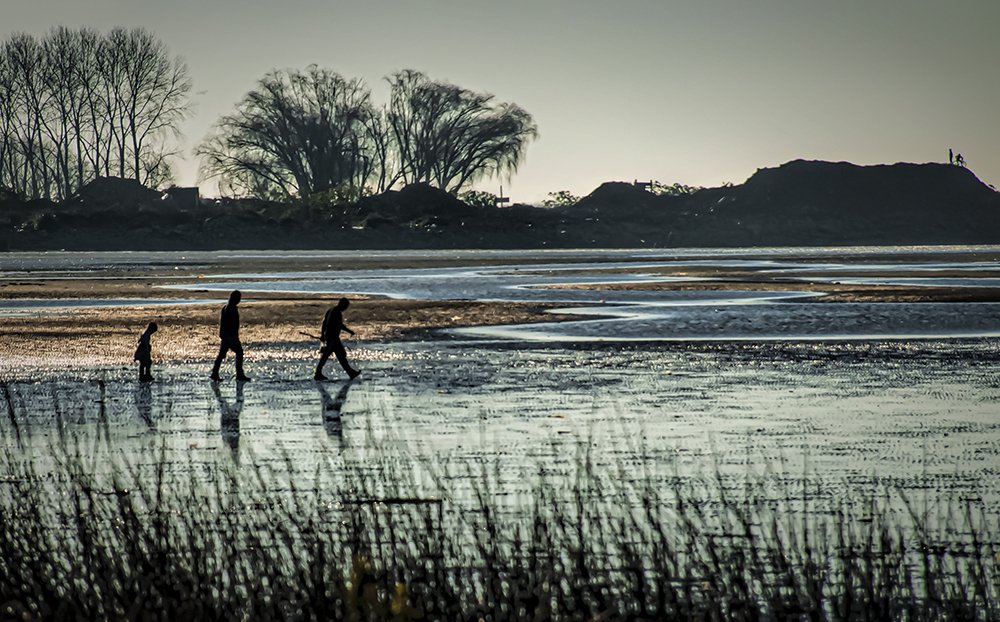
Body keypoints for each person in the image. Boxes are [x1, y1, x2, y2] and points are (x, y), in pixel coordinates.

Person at [314, 298, 361, 380]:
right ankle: (318, 373)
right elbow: (339, 325)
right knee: (327, 356)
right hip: (333, 338)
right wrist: (349, 331)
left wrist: (322, 335)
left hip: (331, 337)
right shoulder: (336, 313)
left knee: (341, 355)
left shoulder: (331, 310)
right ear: (342, 304)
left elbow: (324, 323)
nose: (346, 308)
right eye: (346, 306)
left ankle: (351, 372)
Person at [210, 290, 250, 382]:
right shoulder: (231, 308)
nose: (239, 300)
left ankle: (215, 373)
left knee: (221, 355)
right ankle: (239, 374)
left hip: (225, 336)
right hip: (230, 336)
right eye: (238, 298)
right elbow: (232, 324)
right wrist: (234, 336)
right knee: (239, 352)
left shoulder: (225, 307)